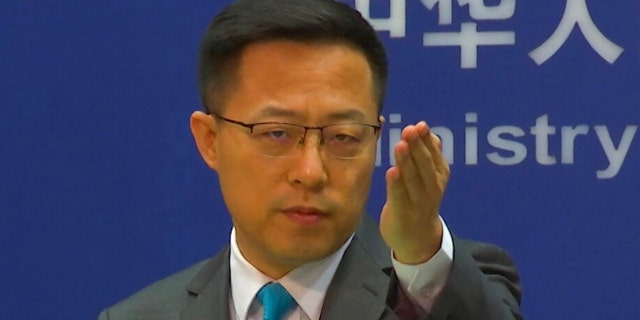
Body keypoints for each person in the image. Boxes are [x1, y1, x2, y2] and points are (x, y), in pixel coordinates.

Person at [98, 0, 522, 319]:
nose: (311, 172)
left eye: (342, 137)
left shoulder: (433, 289)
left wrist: (418, 250)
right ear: (210, 140)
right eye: (277, 134)